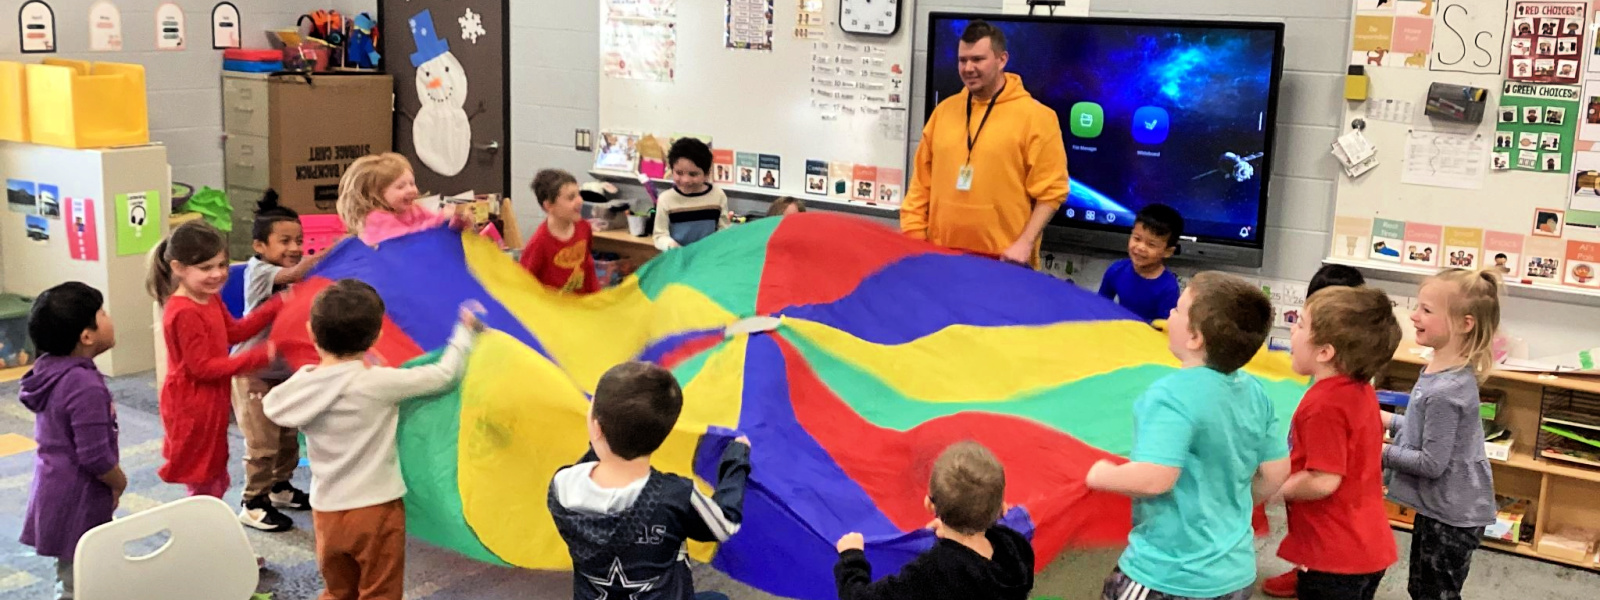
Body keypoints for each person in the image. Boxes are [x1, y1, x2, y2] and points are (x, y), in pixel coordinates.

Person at [263, 280, 483, 600]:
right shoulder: (378, 383)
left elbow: (273, 406)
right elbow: (443, 376)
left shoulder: (304, 385)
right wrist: (464, 334)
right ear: (377, 336)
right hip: (376, 509)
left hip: (326, 510)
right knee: (380, 590)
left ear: (312, 332)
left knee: (338, 589)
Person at [1086, 271, 1290, 600]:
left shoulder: (1170, 396)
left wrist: (1100, 475)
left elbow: (1156, 478)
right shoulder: (1255, 392)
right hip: (1235, 572)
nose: (1170, 313)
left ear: (1195, 338)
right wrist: (1232, 502)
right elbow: (1278, 471)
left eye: (1178, 309)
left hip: (1168, 574)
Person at [549, 362, 751, 600]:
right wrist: (736, 461)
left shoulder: (562, 487)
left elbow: (594, 467)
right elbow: (724, 524)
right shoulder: (675, 497)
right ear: (664, 436)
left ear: (596, 428)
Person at [901, 20, 1069, 267]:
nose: (968, 68)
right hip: (940, 259)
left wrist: (1025, 243)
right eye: (962, 60)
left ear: (1002, 60)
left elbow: (1051, 193)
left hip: (1005, 262)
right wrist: (914, 240)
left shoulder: (1037, 117)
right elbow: (920, 186)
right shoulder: (943, 112)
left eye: (978, 59)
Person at [1276, 286, 1403, 600]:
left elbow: (1323, 480)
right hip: (1366, 545)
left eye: (1301, 324)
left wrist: (1273, 489)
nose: (1292, 328)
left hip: (1335, 554)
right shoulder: (1359, 391)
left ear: (1324, 352)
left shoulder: (1323, 405)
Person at [1384, 269, 1501, 600]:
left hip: (1453, 517)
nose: (1413, 315)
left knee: (1435, 593)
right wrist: (1385, 420)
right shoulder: (1439, 372)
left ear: (1465, 324)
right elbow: (1424, 432)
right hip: (1438, 507)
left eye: (1426, 310)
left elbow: (1431, 462)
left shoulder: (1447, 391)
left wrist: (1377, 450)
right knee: (1421, 588)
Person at [147, 221, 283, 498]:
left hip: (210, 398)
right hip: (192, 404)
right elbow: (202, 368)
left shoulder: (208, 298)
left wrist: (275, 306)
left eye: (222, 265)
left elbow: (234, 331)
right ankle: (202, 525)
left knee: (214, 468)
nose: (218, 274)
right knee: (202, 475)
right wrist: (259, 356)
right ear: (178, 268)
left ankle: (209, 520)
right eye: (206, 268)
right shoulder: (184, 311)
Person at [20, 282, 126, 600]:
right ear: (87, 335)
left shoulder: (50, 368)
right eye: (102, 313)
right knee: (81, 580)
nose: (109, 317)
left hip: (55, 485)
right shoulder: (83, 384)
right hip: (78, 493)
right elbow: (94, 456)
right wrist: (119, 482)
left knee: (71, 570)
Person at [833, 441, 1033, 600]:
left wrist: (852, 558)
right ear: (1003, 509)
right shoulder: (1016, 549)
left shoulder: (933, 572)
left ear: (929, 505)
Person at [235, 191, 326, 532]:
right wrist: (337, 250)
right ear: (260, 246)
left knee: (288, 435)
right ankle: (252, 502)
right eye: (284, 241)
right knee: (262, 442)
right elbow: (298, 273)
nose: (294, 247)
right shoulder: (259, 271)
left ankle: (280, 487)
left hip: (284, 371)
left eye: (299, 240)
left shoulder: (287, 271)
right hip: (252, 371)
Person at [337, 152, 463, 246]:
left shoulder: (413, 209)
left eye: (412, 184)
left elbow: (431, 223)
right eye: (400, 187)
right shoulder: (376, 219)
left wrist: (453, 220)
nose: (411, 190)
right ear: (376, 194)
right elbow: (405, 239)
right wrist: (441, 219)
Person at [519, 169, 601, 294]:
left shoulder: (584, 228)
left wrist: (597, 298)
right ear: (549, 206)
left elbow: (588, 266)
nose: (580, 201)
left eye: (578, 194)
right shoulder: (540, 242)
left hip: (580, 307)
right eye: (571, 197)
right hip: (552, 310)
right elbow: (524, 283)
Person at [1097, 204, 1184, 322]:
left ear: (1168, 252)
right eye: (1137, 238)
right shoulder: (1116, 270)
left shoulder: (1168, 288)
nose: (1141, 247)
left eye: (1151, 244)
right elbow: (1099, 305)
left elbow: (1164, 328)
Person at [653, 138, 730, 250]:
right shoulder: (666, 199)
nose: (685, 180)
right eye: (679, 173)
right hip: (677, 259)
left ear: (707, 174)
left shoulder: (718, 195)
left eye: (693, 174)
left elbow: (724, 230)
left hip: (708, 258)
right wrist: (671, 246)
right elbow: (659, 236)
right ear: (671, 170)